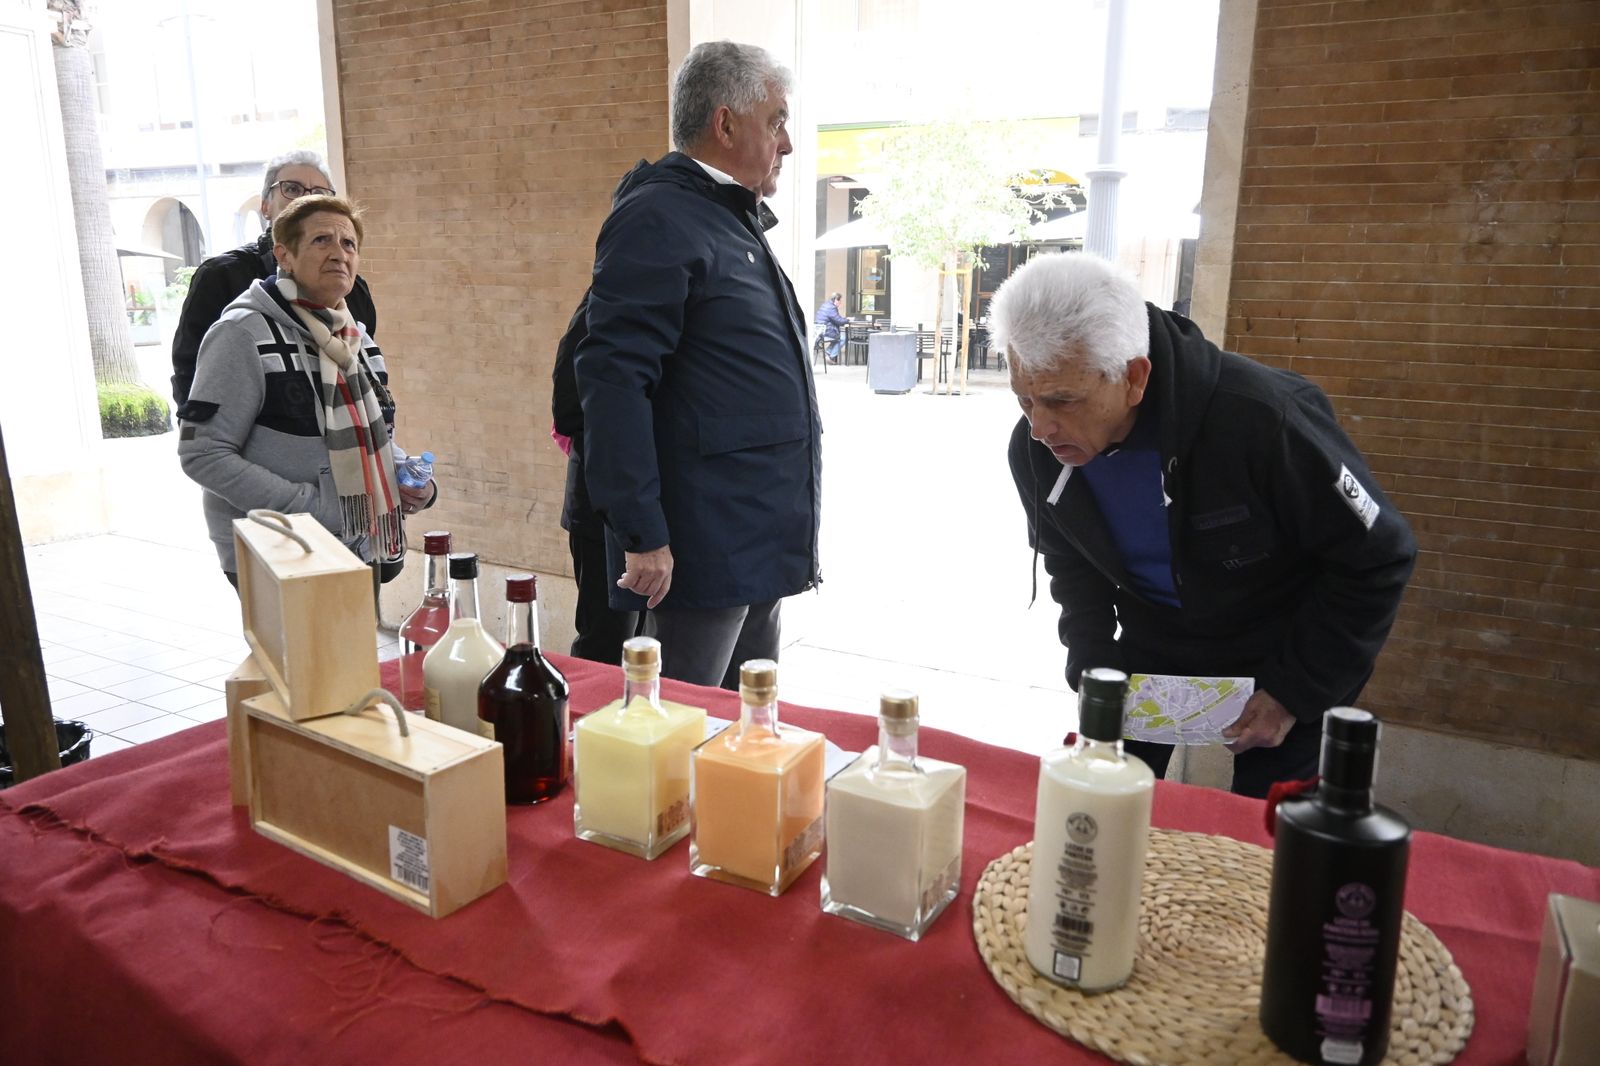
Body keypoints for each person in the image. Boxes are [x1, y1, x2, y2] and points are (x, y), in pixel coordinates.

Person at [995, 253, 1415, 798]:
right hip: (1153, 644)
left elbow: (1379, 556)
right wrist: (1094, 663)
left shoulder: (1263, 419)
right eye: (1024, 399)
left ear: (1134, 377)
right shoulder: (1035, 450)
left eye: (1062, 401)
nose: (1040, 428)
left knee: (1258, 839)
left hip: (1286, 647)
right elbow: (1071, 561)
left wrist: (1294, 691)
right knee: (1099, 805)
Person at [574, 41, 820, 689]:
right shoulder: (659, 217)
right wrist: (642, 533)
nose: (786, 143)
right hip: (703, 550)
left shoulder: (727, 221)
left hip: (754, 541)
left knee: (746, 735)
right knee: (679, 732)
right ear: (725, 122)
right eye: (776, 121)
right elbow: (614, 380)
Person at [177, 195, 435, 589]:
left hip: (359, 543)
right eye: (321, 241)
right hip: (280, 550)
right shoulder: (241, 334)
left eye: (348, 244)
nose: (338, 254)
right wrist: (315, 509)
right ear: (284, 255)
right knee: (305, 654)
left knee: (351, 653)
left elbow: (374, 431)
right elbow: (203, 454)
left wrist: (406, 478)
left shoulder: (356, 338)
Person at [170, 150, 377, 408]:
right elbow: (191, 375)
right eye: (292, 188)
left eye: (319, 193)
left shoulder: (351, 287)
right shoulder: (221, 277)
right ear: (265, 206)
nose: (306, 198)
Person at [815, 292, 847, 363]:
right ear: (836, 300)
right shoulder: (832, 308)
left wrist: (844, 319)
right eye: (840, 301)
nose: (840, 303)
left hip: (821, 330)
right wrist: (847, 320)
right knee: (843, 338)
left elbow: (836, 318)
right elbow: (839, 321)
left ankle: (827, 353)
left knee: (838, 338)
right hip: (826, 331)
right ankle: (831, 356)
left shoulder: (826, 305)